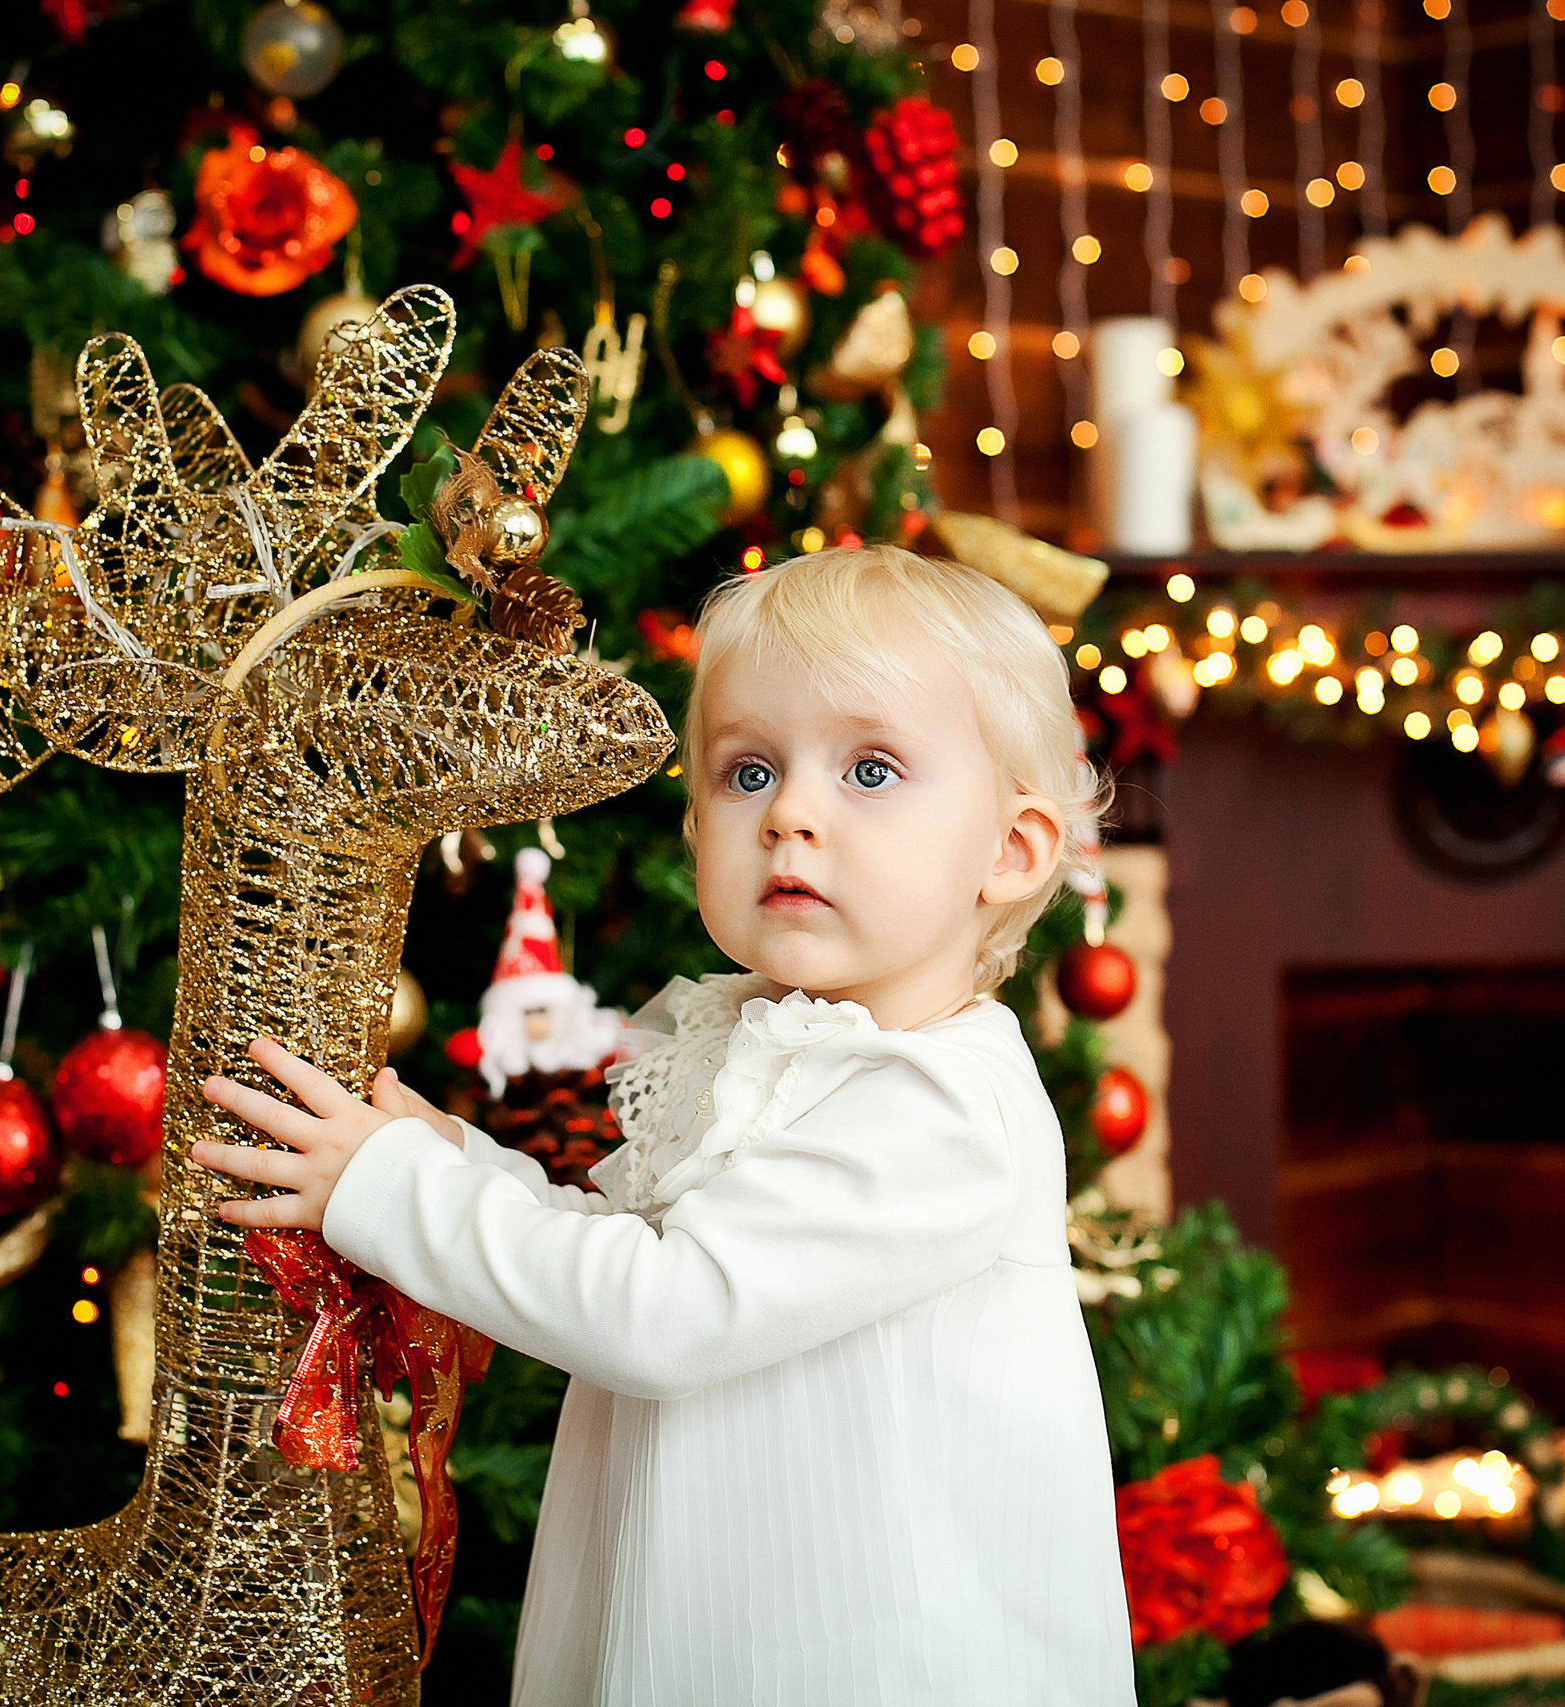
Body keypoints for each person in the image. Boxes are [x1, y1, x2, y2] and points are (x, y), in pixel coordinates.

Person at [192, 546, 1133, 1704]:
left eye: (873, 770)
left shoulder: (940, 1104)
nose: (790, 813)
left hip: (866, 1659)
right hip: (698, 1623)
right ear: (693, 827)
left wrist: (393, 1193)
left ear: (1011, 850)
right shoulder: (752, 1046)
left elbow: (666, 1311)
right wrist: (455, 1161)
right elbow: (626, 1246)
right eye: (745, 773)